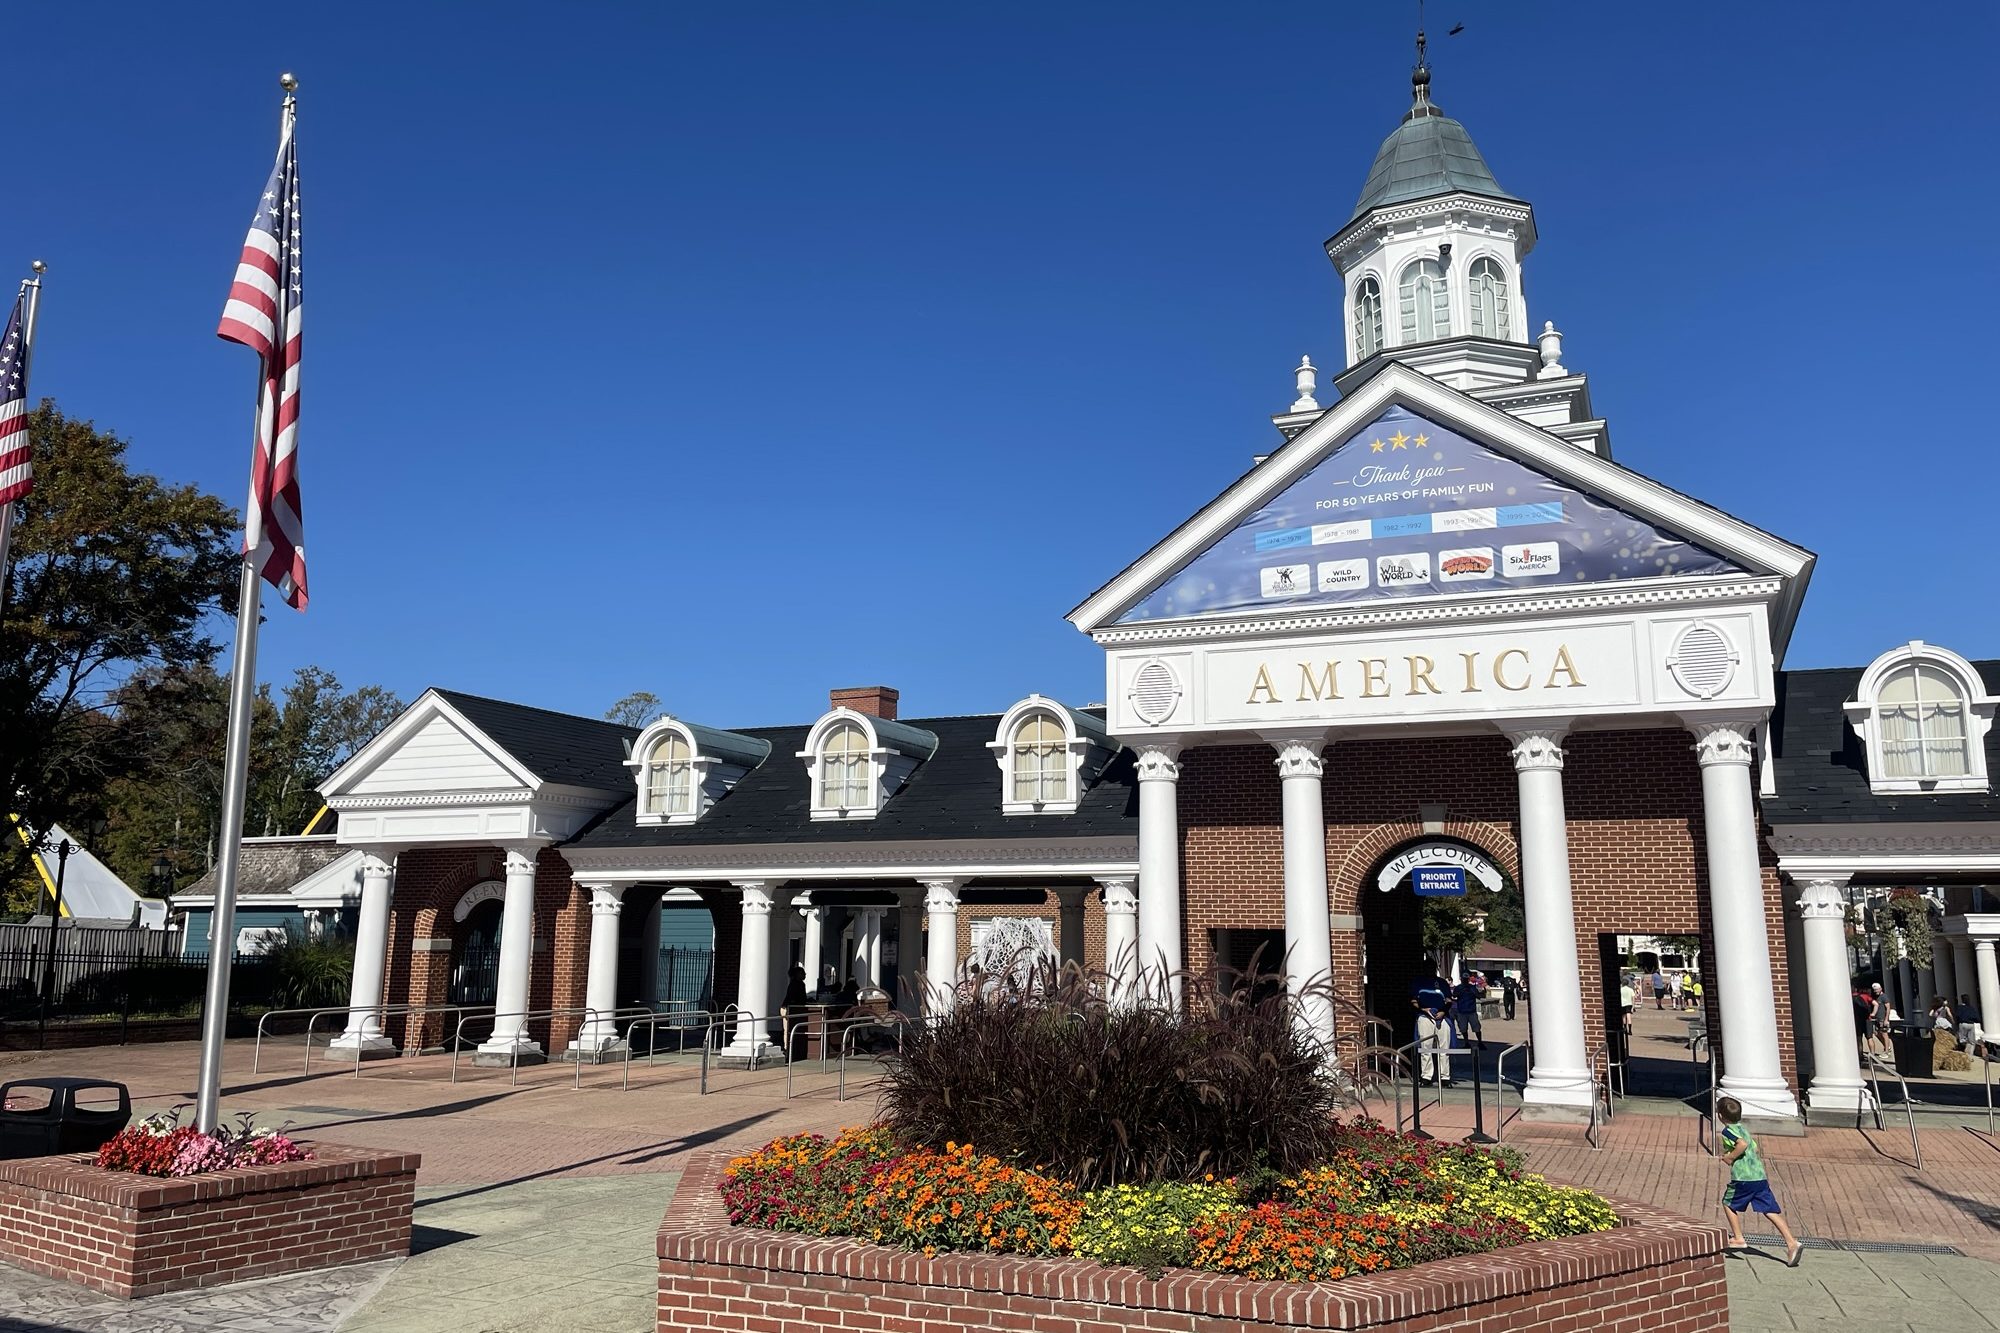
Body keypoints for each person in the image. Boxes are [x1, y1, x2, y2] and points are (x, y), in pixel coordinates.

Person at [1717, 1095, 1803, 1266]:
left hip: (1743, 1178)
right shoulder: (1744, 1129)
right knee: (1769, 1210)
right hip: (1759, 1177)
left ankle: (1738, 1238)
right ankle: (1792, 1242)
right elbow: (1755, 1148)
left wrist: (1730, 1157)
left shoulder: (1728, 1131)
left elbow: (1742, 1145)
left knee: (1728, 1203)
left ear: (1720, 1116)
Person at [1412, 970, 1453, 1087]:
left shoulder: (1442, 982)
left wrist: (1443, 1011)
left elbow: (1449, 1000)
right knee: (1425, 1047)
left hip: (1442, 1016)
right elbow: (1413, 1001)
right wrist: (1422, 1009)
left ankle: (1445, 1077)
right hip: (1425, 1016)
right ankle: (1426, 1076)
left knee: (1444, 1047)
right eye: (1427, 967)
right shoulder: (1419, 982)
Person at [1451, 973, 1484, 1047]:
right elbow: (1454, 995)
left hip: (1471, 1011)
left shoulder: (1472, 988)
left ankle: (1479, 1042)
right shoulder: (1459, 988)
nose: (1465, 980)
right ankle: (1467, 1043)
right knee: (1463, 1028)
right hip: (1462, 1011)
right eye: (1464, 979)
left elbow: (1478, 995)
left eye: (1466, 979)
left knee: (1476, 1028)